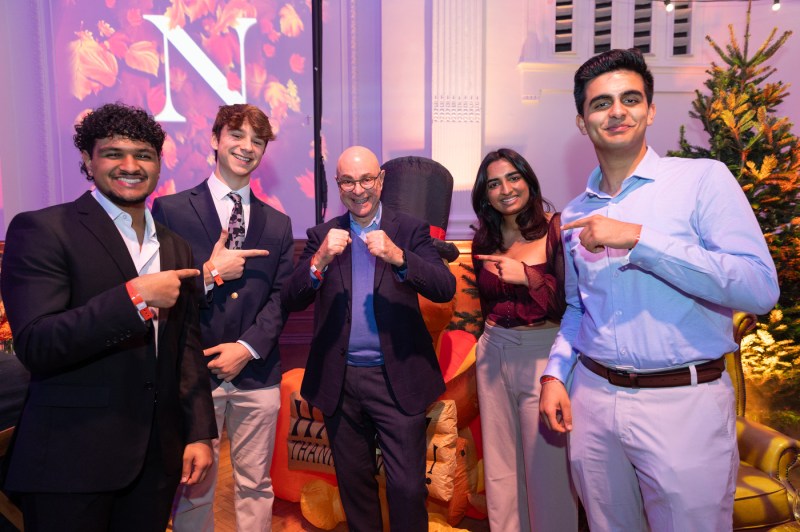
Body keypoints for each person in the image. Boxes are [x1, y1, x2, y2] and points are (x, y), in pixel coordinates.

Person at [539, 48, 779, 531]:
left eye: (630, 99)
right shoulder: (572, 214)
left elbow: (758, 288)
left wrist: (640, 239)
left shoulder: (702, 180)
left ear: (650, 110)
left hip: (684, 403)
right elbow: (576, 311)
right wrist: (554, 375)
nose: (617, 111)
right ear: (583, 122)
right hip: (593, 402)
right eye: (601, 103)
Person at [0, 102, 217, 532]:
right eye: (114, 153)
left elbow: (185, 350)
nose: (130, 166)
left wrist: (198, 432)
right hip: (72, 460)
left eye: (144, 155)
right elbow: (37, 344)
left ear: (158, 164)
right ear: (88, 159)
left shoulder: (175, 247)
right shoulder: (43, 230)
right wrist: (133, 298)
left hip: (155, 461)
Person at [281, 146, 456, 531]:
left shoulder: (409, 230)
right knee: (355, 486)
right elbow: (291, 298)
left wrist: (399, 256)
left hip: (396, 378)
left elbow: (444, 287)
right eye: (348, 181)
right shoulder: (323, 235)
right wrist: (319, 260)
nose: (358, 189)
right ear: (338, 185)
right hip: (340, 382)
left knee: (408, 487)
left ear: (381, 180)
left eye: (366, 180)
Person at [153, 103, 294, 532]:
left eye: (257, 140)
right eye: (237, 135)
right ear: (215, 140)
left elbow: (280, 298)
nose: (246, 147)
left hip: (257, 372)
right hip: (193, 373)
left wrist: (246, 348)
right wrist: (210, 275)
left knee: (256, 484)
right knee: (195, 485)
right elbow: (159, 289)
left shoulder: (279, 223)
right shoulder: (171, 210)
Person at [470, 148, 577, 531]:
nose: (506, 189)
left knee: (547, 469)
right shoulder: (485, 238)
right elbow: (485, 304)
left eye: (513, 177)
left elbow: (572, 304)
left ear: (529, 181)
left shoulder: (557, 229)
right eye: (494, 183)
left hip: (542, 355)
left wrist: (527, 277)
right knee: (500, 469)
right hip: (493, 351)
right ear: (485, 195)